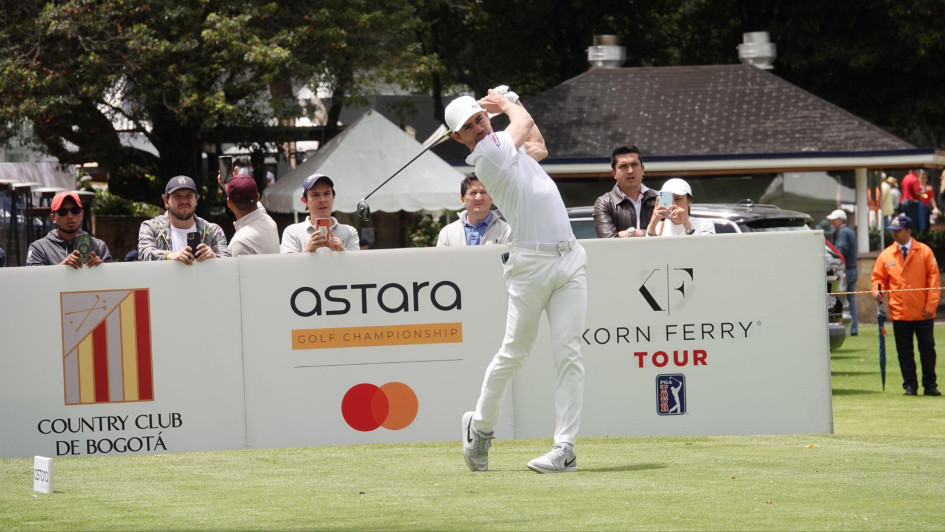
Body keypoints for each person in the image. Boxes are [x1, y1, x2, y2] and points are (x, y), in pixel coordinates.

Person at [445, 89, 587, 474]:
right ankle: (481, 429)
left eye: (479, 118)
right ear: (458, 139)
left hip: (570, 258)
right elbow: (521, 124)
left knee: (569, 353)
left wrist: (512, 99)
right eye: (468, 127)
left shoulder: (509, 149)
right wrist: (506, 102)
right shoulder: (489, 153)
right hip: (530, 265)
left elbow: (537, 141)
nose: (478, 126)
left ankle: (565, 448)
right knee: (514, 352)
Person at [871, 214, 940, 396]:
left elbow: (934, 281)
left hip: (923, 312)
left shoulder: (925, 252)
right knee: (904, 352)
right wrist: (878, 291)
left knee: (927, 349)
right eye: (892, 231)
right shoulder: (886, 255)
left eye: (897, 231)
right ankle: (910, 385)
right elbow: (879, 278)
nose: (894, 234)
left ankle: (930, 385)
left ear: (908, 231)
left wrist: (930, 307)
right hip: (900, 312)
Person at [138, 176, 231, 263]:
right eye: (177, 196)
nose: (184, 201)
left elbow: (227, 262)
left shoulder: (212, 230)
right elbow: (145, 254)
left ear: (196, 200)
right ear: (166, 202)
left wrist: (214, 258)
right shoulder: (152, 227)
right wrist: (170, 255)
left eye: (189, 196)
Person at [27, 191, 112, 268]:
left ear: (82, 215)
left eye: (75, 210)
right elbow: (35, 282)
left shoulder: (99, 247)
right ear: (53, 218)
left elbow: (112, 282)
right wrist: (62, 268)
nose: (70, 216)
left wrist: (102, 270)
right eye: (63, 212)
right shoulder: (39, 248)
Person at [280, 173, 359, 254]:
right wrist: (308, 250)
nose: (322, 200)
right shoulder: (292, 232)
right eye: (315, 195)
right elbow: (288, 266)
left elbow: (357, 265)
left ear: (333, 197)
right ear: (304, 201)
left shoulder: (349, 232)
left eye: (327, 194)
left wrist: (342, 251)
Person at [593, 145, 656, 238]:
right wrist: (651, 233)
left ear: (642, 169)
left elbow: (669, 235)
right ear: (614, 173)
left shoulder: (658, 198)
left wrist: (632, 233)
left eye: (634, 165)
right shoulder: (605, 203)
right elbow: (608, 241)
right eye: (623, 166)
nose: (630, 171)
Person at [436, 173, 512, 247]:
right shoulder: (447, 233)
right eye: (473, 193)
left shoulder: (506, 231)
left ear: (491, 198)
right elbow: (440, 259)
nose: (478, 197)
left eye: (483, 192)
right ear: (463, 200)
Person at [224, 174, 279, 256]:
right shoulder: (269, 221)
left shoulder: (239, 242)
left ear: (229, 203)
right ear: (258, 197)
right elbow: (259, 206)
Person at [645, 178, 715, 237]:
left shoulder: (705, 224)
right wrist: (652, 224)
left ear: (689, 201)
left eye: (677, 199)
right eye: (668, 199)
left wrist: (686, 223)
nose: (673, 203)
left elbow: (705, 250)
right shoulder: (656, 227)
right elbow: (648, 251)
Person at [827, 209, 858, 336]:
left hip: (846, 271)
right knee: (850, 300)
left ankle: (839, 328)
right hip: (853, 269)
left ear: (841, 220)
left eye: (834, 220)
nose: (833, 223)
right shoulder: (850, 231)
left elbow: (840, 251)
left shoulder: (843, 232)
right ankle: (854, 329)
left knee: (839, 301)